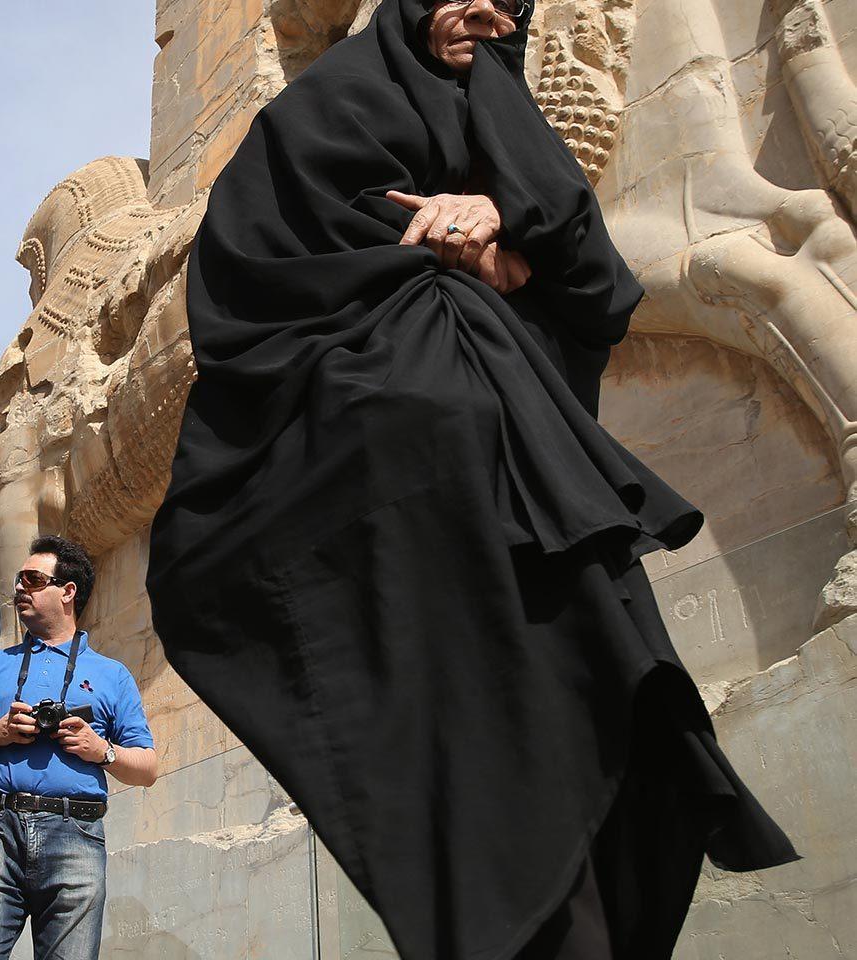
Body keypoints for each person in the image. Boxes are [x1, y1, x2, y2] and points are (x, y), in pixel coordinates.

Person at [143, 0, 800, 956]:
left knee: (598, 728)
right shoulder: (326, 112)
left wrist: (510, 228)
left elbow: (597, 285)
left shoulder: (500, 117)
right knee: (484, 782)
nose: (486, 13)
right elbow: (253, 282)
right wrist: (416, 284)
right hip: (411, 516)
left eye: (509, 1)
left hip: (533, 497)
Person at [0, 535, 158, 960]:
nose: (18, 588)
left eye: (32, 579)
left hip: (77, 833)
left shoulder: (114, 675)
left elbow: (147, 767)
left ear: (67, 591)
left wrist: (100, 749)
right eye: (18, 580)